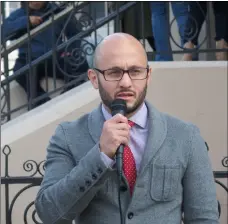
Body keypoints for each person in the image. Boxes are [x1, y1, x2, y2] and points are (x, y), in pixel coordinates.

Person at [35, 33, 219, 224]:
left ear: (148, 75)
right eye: (114, 72)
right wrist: (101, 155)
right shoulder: (68, 136)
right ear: (94, 78)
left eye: (135, 71)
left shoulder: (186, 136)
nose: (125, 82)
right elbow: (49, 213)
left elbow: (204, 218)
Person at [1, 1, 89, 108]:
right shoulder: (20, 14)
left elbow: (75, 33)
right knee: (20, 71)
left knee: (81, 64)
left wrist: (69, 50)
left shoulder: (57, 10)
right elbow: (4, 31)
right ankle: (42, 103)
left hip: (55, 56)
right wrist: (27, 21)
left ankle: (64, 99)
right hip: (29, 59)